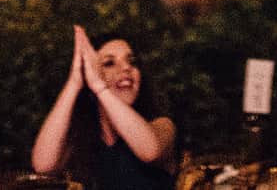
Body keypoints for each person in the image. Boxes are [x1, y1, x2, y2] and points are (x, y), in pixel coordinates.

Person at [32, 26, 176, 190]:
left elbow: (150, 151)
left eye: (132, 61)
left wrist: (99, 86)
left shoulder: (163, 126)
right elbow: (43, 166)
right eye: (109, 63)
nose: (126, 68)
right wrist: (74, 82)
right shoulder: (82, 139)